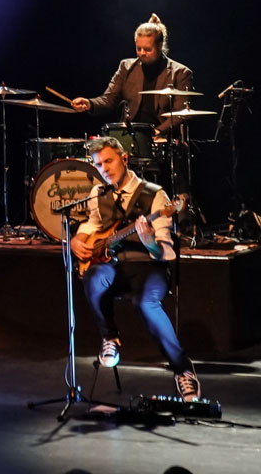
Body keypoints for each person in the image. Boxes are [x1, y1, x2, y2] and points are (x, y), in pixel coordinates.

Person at [70, 134, 201, 402]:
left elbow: (165, 252)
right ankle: (110, 338)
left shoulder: (155, 195)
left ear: (124, 159)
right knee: (92, 276)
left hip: (149, 267)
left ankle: (183, 370)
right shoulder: (99, 193)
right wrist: (77, 240)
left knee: (145, 303)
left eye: (108, 161)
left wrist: (149, 241)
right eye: (98, 165)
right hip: (114, 267)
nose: (104, 169)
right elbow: (93, 225)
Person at [70, 14, 191, 131]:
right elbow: (109, 100)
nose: (142, 53)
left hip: (162, 138)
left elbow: (180, 114)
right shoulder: (126, 67)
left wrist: (158, 132)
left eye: (147, 49)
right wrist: (89, 103)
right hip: (130, 135)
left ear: (159, 46)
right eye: (139, 48)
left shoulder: (180, 73)